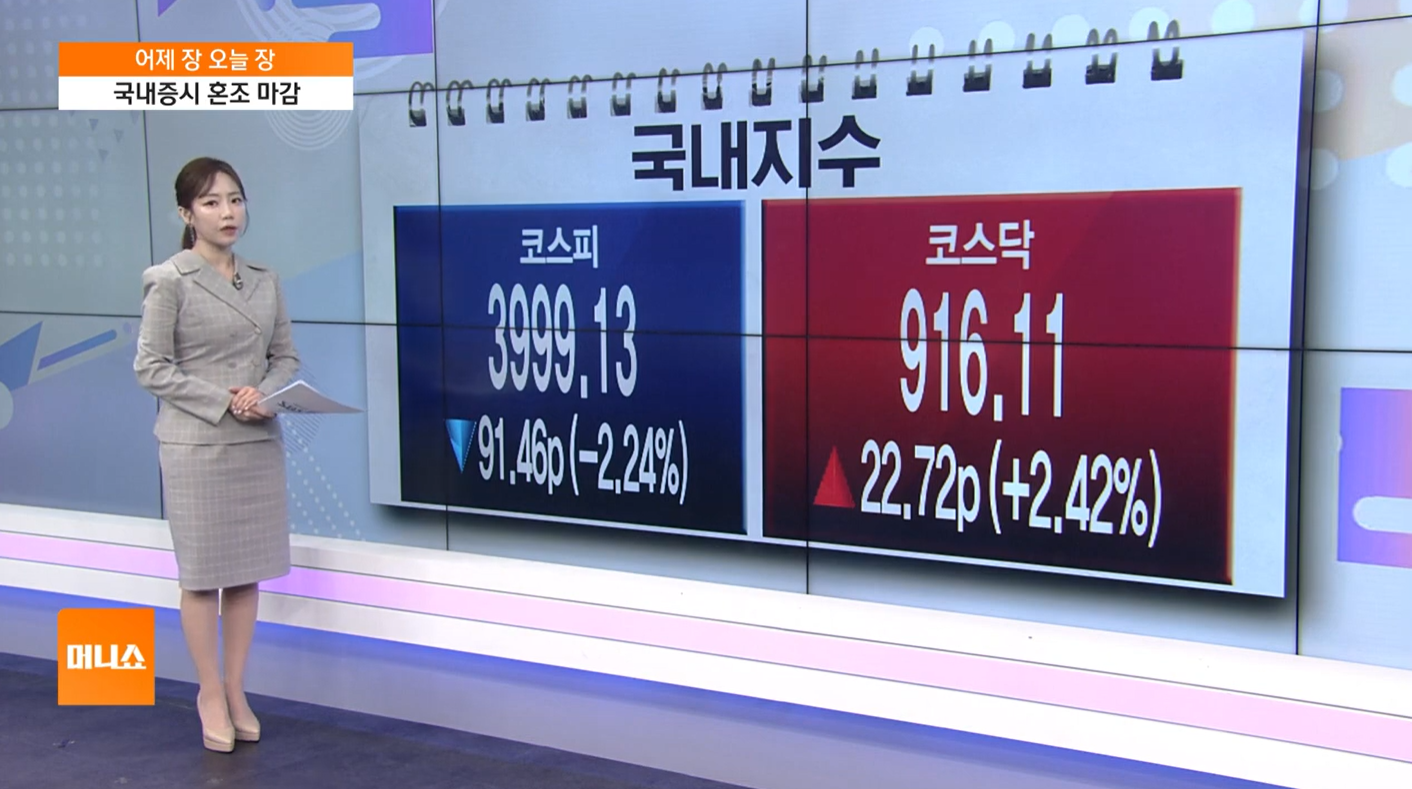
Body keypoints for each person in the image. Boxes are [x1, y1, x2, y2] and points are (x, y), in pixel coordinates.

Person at [133, 157, 299, 753]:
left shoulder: (265, 278)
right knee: (204, 578)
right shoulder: (169, 279)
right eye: (210, 202)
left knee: (246, 573)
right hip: (198, 445)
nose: (227, 212)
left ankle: (235, 688)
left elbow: (285, 357)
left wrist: (266, 393)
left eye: (234, 199)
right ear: (186, 213)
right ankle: (208, 692)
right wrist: (224, 401)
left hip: (256, 442)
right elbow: (150, 367)